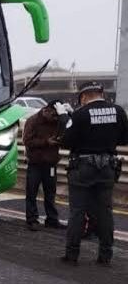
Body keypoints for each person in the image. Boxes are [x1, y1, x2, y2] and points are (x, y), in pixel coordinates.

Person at [59, 81, 127, 266]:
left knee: (78, 211)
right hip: (107, 167)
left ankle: (72, 255)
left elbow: (66, 142)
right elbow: (124, 138)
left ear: (83, 96)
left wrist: (65, 119)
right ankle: (105, 255)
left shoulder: (80, 114)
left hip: (83, 167)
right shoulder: (119, 111)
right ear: (101, 93)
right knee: (105, 212)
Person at [22, 100, 64, 231]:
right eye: (53, 116)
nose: (55, 119)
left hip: (51, 163)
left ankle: (52, 219)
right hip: (35, 163)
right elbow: (27, 141)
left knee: (50, 192)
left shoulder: (57, 121)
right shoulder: (33, 121)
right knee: (32, 192)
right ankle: (32, 219)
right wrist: (46, 142)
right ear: (47, 110)